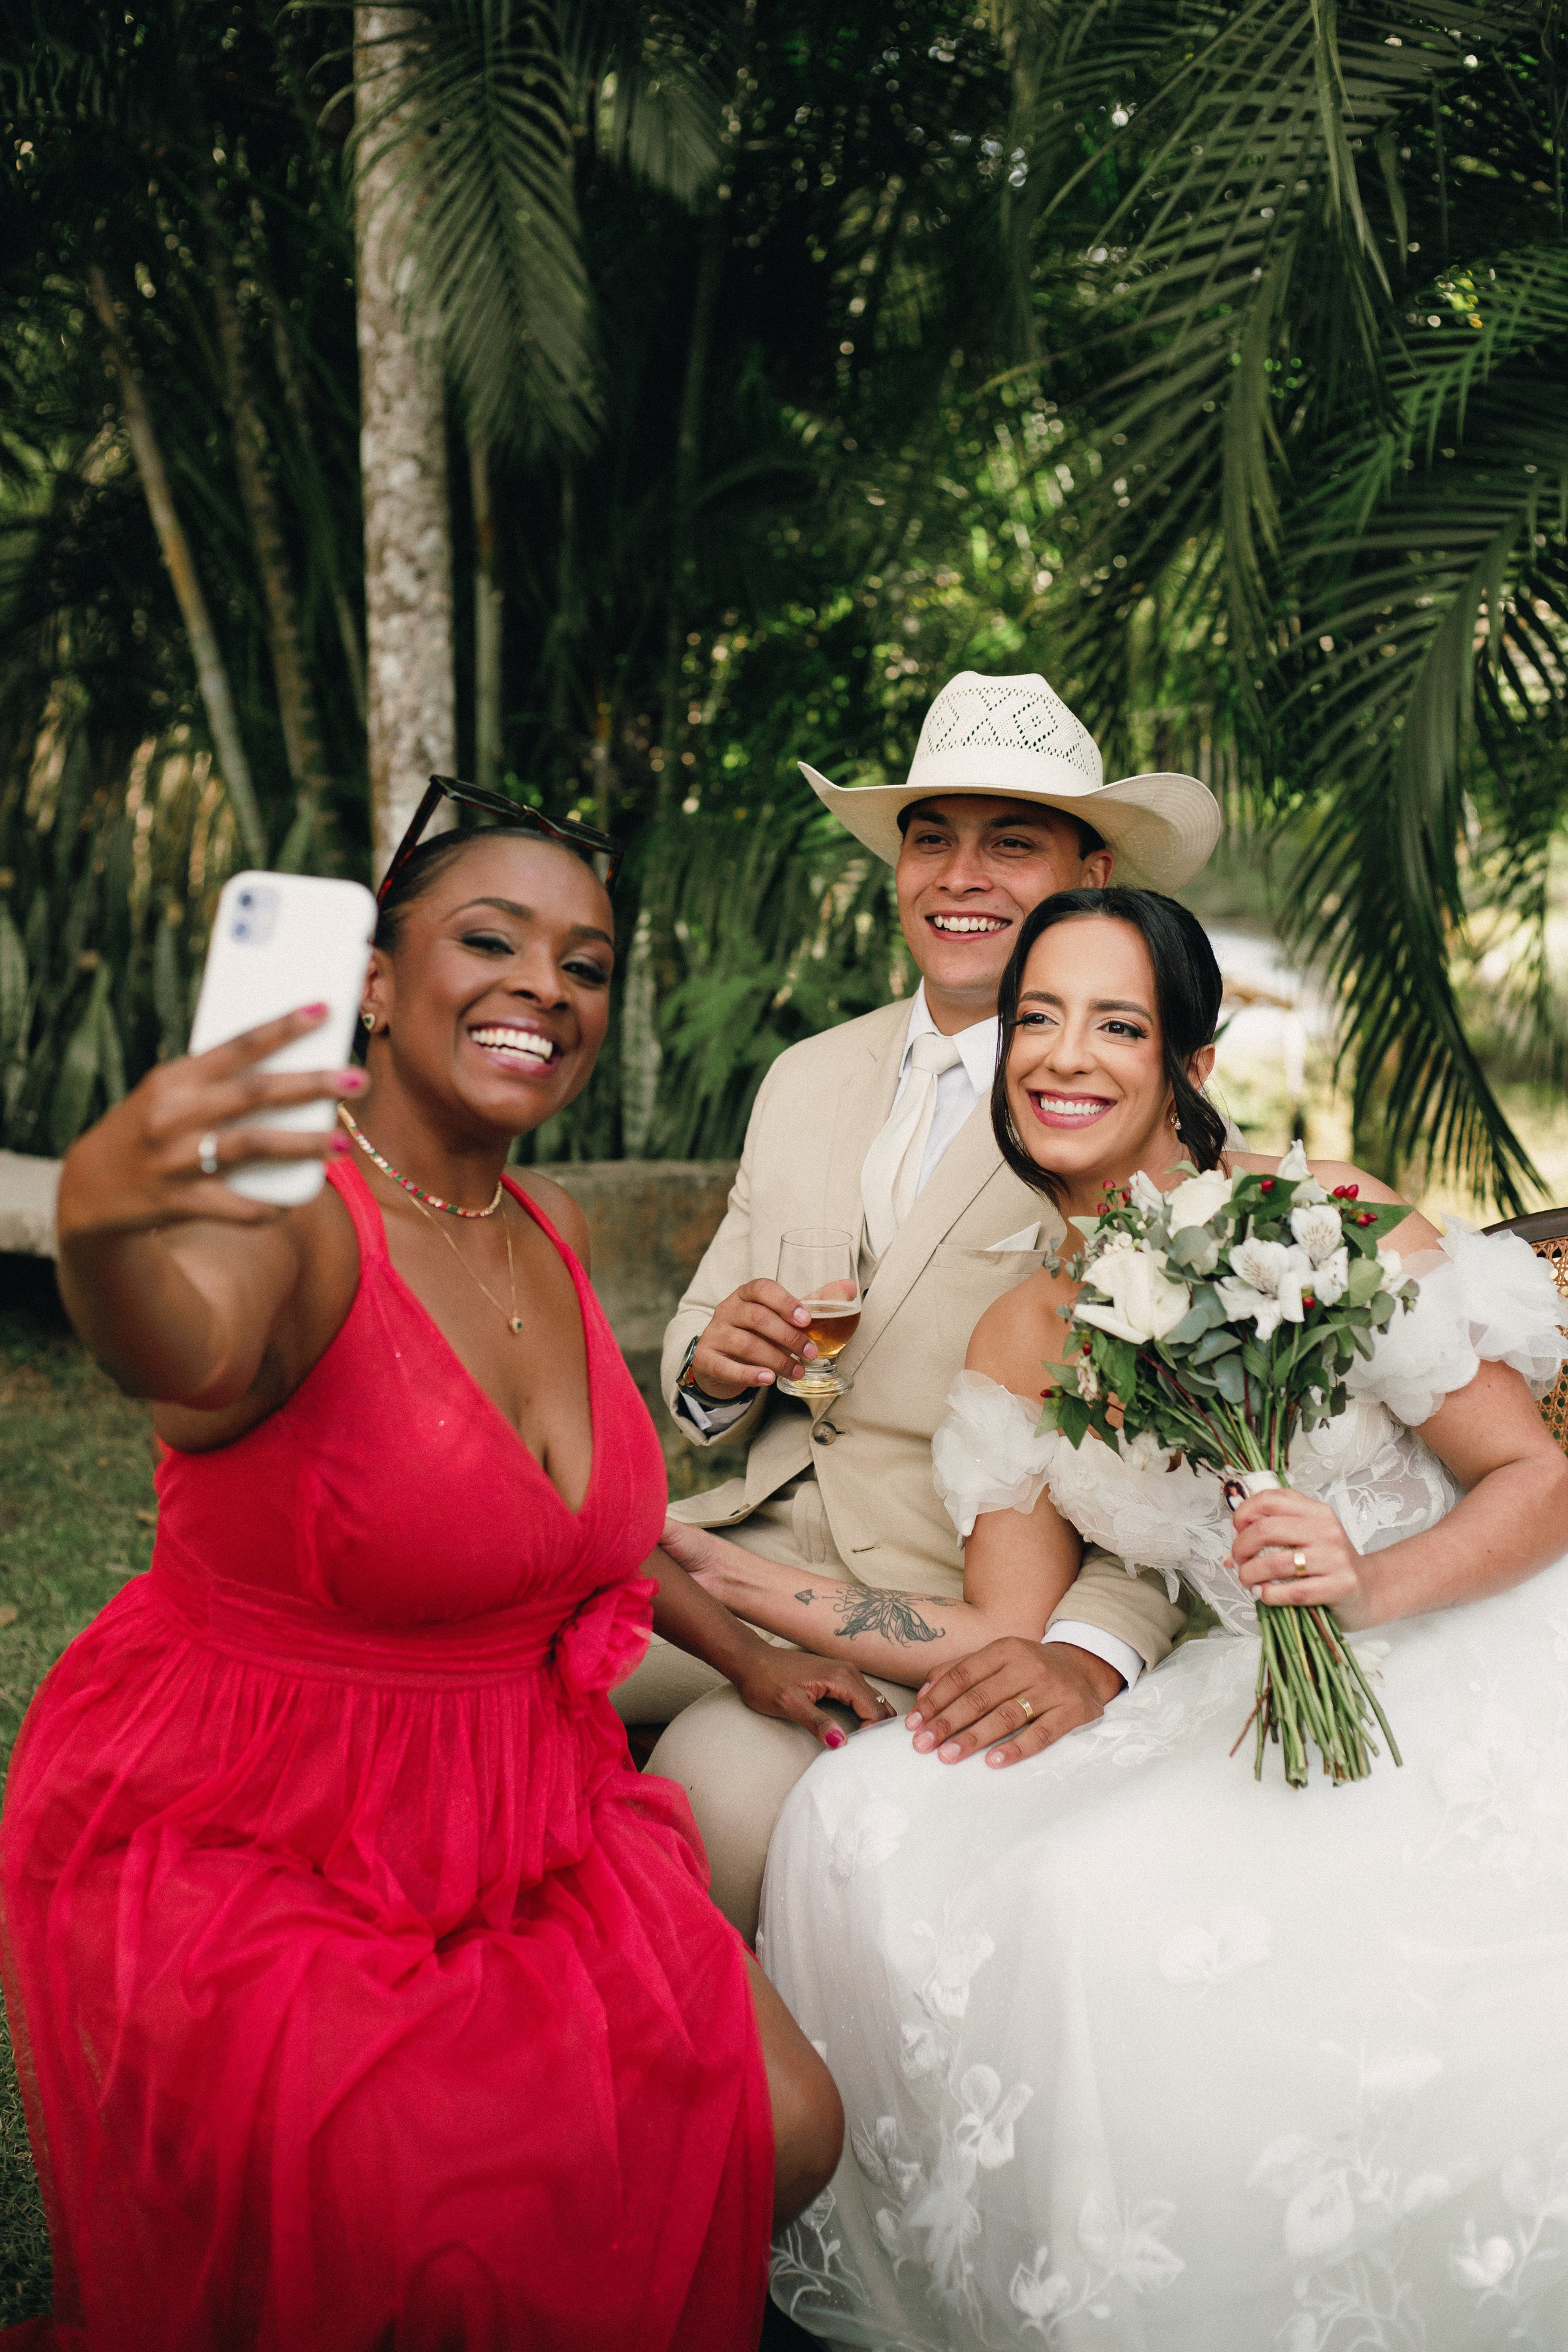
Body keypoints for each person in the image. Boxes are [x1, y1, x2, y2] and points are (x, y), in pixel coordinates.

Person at [0, 799, 845, 2352]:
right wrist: (104, 1227)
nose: (545, 984)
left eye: (583, 963)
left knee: (788, 2122)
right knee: (414, 2240)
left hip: (520, 1811)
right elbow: (185, 1351)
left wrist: (747, 1661)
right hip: (258, 1822)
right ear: (373, 984)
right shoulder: (298, 1220)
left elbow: (560, 1541)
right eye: (489, 940)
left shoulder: (547, 1222)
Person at [760, 887, 1568, 2351]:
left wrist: (1367, 1582)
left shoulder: (1326, 1219)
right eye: (1035, 1018)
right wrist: (730, 1593)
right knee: (855, 1812)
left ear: (1189, 1066)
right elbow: (998, 1629)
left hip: (1451, 1645)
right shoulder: (1021, 1328)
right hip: (1247, 1682)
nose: (1060, 1056)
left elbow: (1535, 1481)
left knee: (1098, 1907)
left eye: (1115, 1024)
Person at [616, 669, 1223, 1939]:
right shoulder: (804, 1076)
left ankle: (695, 2111)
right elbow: (698, 1328)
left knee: (707, 1805)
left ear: (1090, 876)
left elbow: (1177, 1485)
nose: (960, 876)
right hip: (721, 1553)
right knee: (455, 1665)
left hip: (936, 1616)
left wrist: (1084, 1650)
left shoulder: (1121, 1110)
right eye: (929, 838)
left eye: (1010, 844)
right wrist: (715, 1370)